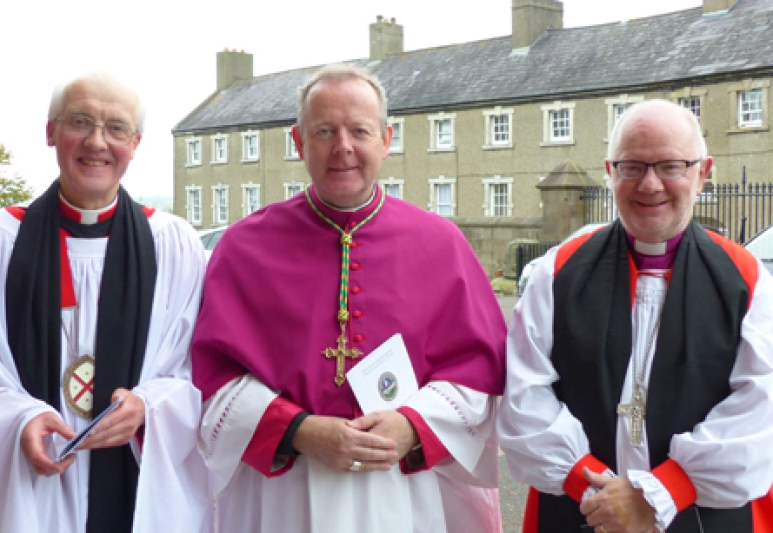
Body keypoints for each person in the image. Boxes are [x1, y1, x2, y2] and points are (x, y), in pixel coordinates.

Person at [191, 64, 506, 533]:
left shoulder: (441, 243)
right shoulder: (242, 247)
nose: (343, 147)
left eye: (359, 130)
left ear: (385, 139)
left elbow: (478, 373)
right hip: (284, 488)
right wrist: (297, 430)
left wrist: (412, 426)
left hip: (403, 489)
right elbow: (211, 379)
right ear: (298, 142)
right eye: (324, 131)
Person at [498, 99, 773, 533]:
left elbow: (762, 408)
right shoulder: (557, 273)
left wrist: (658, 494)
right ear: (610, 172)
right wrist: (597, 492)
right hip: (580, 511)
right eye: (632, 167)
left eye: (670, 166)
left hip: (703, 516)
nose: (650, 184)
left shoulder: (747, 279)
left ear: (703, 173)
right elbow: (522, 395)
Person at [0, 72, 211, 533]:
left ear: (136, 143)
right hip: (25, 487)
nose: (97, 141)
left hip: (133, 478)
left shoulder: (173, 244)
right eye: (80, 121)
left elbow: (193, 371)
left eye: (116, 128)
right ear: (51, 132)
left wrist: (148, 407)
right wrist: (18, 418)